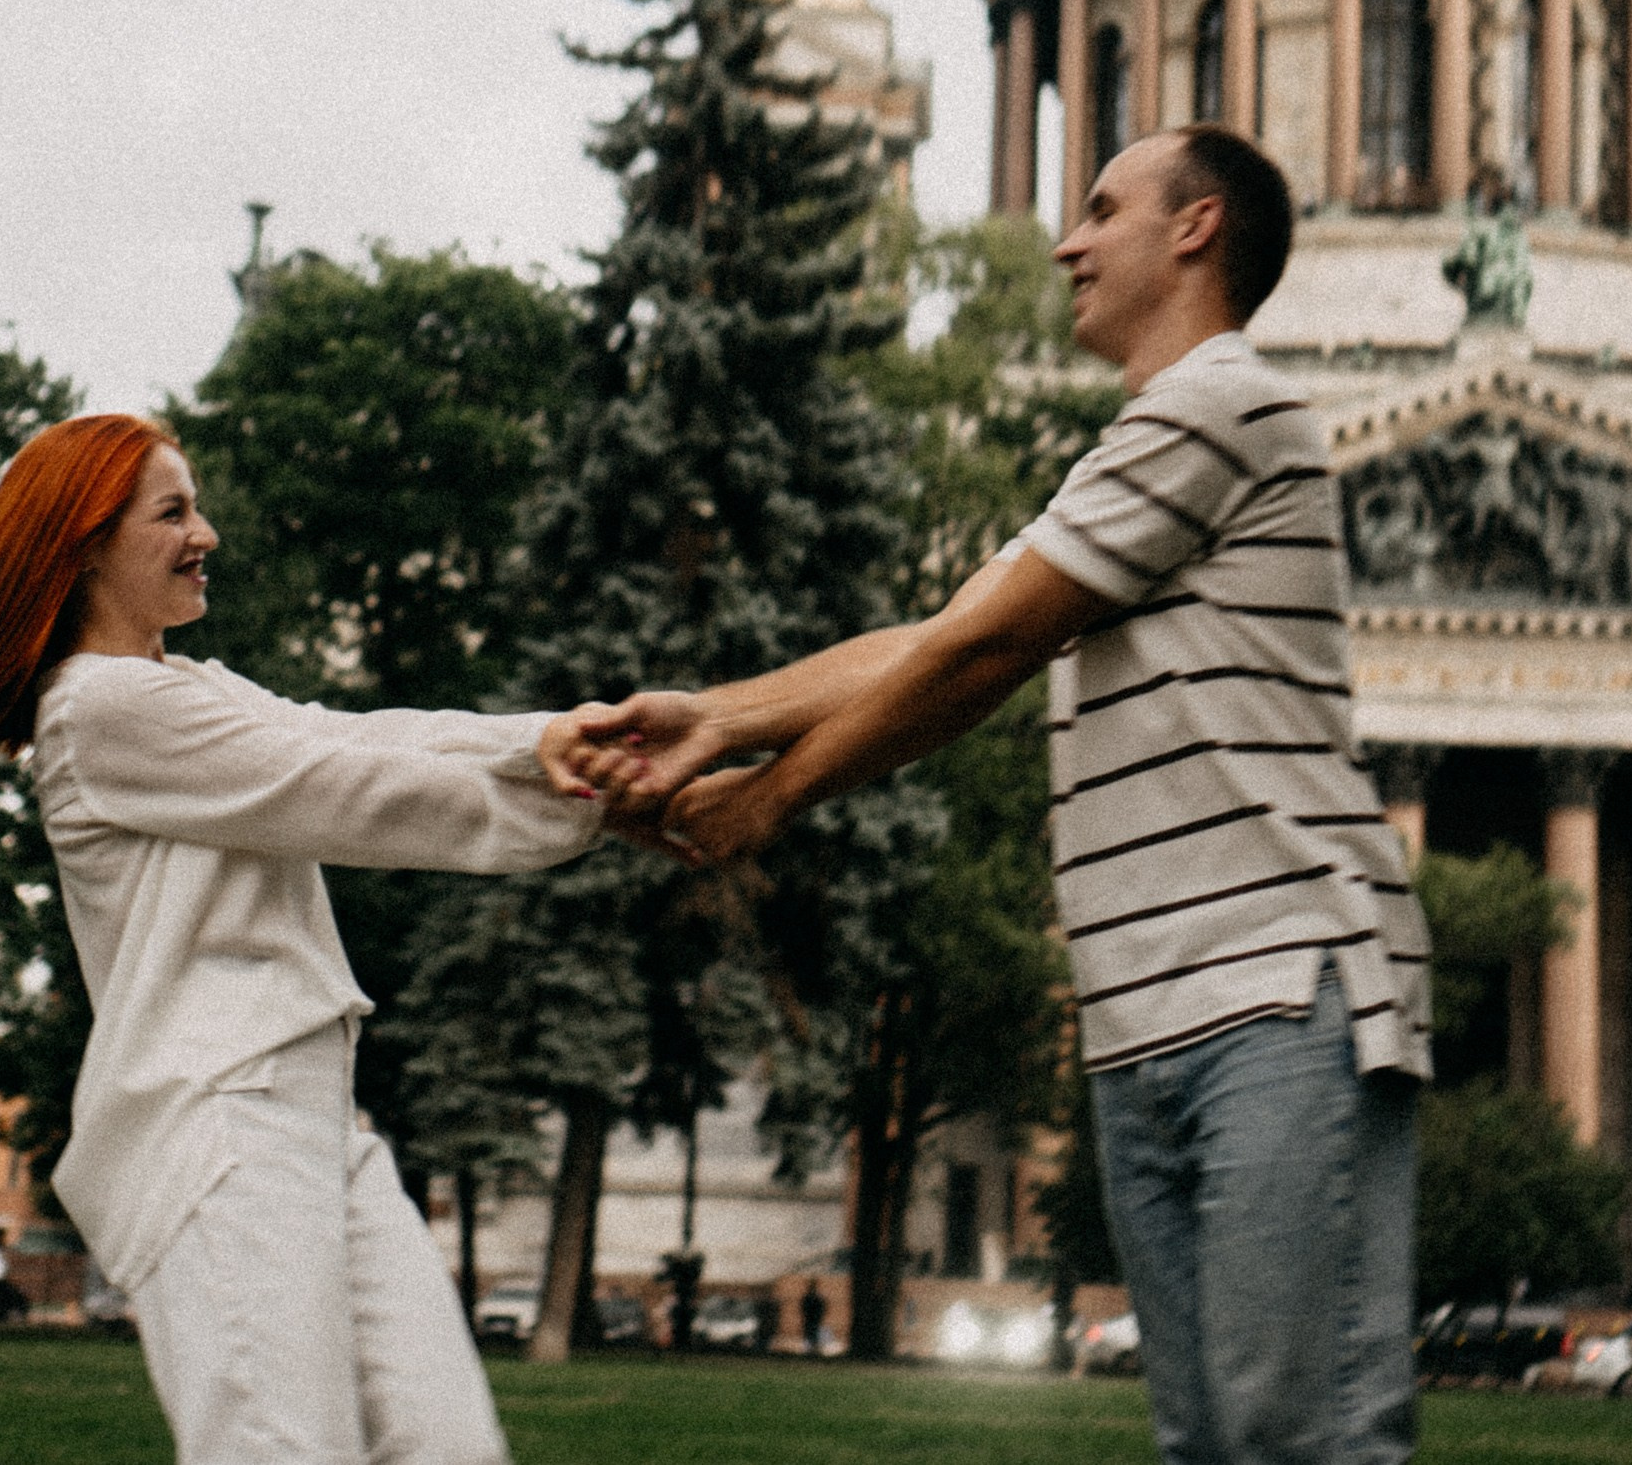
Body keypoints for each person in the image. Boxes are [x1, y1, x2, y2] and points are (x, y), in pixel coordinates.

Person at [562, 127, 1432, 1465]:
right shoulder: (1151, 440)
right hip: (1155, 1014)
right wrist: (713, 715)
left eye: (1100, 209)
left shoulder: (1225, 405)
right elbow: (946, 627)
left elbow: (983, 647)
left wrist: (767, 798)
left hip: (1276, 989)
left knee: (1293, 1439)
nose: (1068, 241)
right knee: (1215, 1442)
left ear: (1194, 228)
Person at [0, 414, 621, 1465]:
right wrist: (601, 805)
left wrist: (546, 741)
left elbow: (355, 735)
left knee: (449, 1446)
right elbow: (353, 792)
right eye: (172, 512)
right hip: (221, 1129)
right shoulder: (98, 711)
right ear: (84, 547)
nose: (204, 532)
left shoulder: (191, 692)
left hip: (318, 1126)